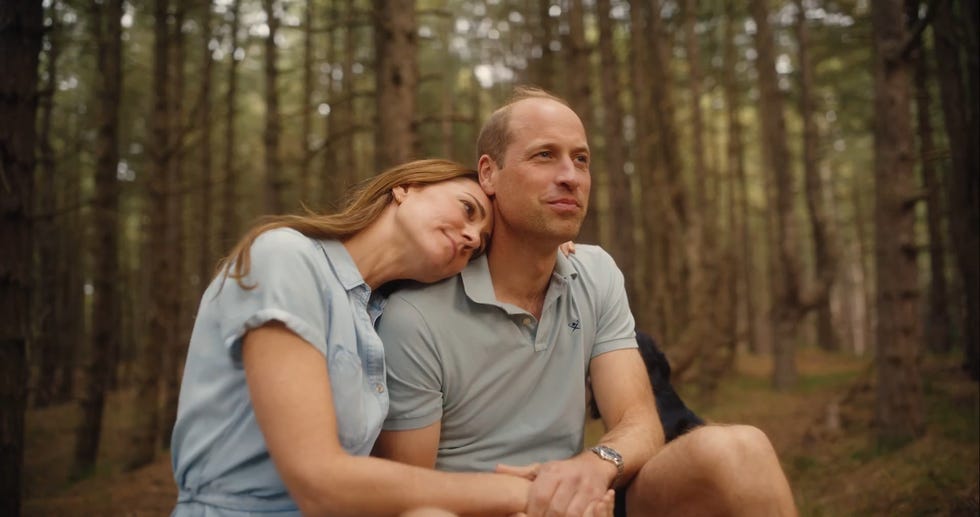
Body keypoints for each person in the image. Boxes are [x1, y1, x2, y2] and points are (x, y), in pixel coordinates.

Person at [373, 89, 798, 516]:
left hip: (587, 503)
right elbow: (406, 497)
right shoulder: (416, 314)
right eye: (544, 156)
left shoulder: (595, 273)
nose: (570, 177)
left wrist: (594, 466)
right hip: (480, 508)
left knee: (740, 448)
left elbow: (640, 424)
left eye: (581, 159)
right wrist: (525, 502)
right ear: (489, 173)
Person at [170, 158, 614, 516]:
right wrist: (519, 494)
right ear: (406, 187)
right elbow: (318, 482)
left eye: (479, 244)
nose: (469, 237)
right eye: (467, 209)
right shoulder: (287, 257)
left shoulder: (378, 317)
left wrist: (549, 250)